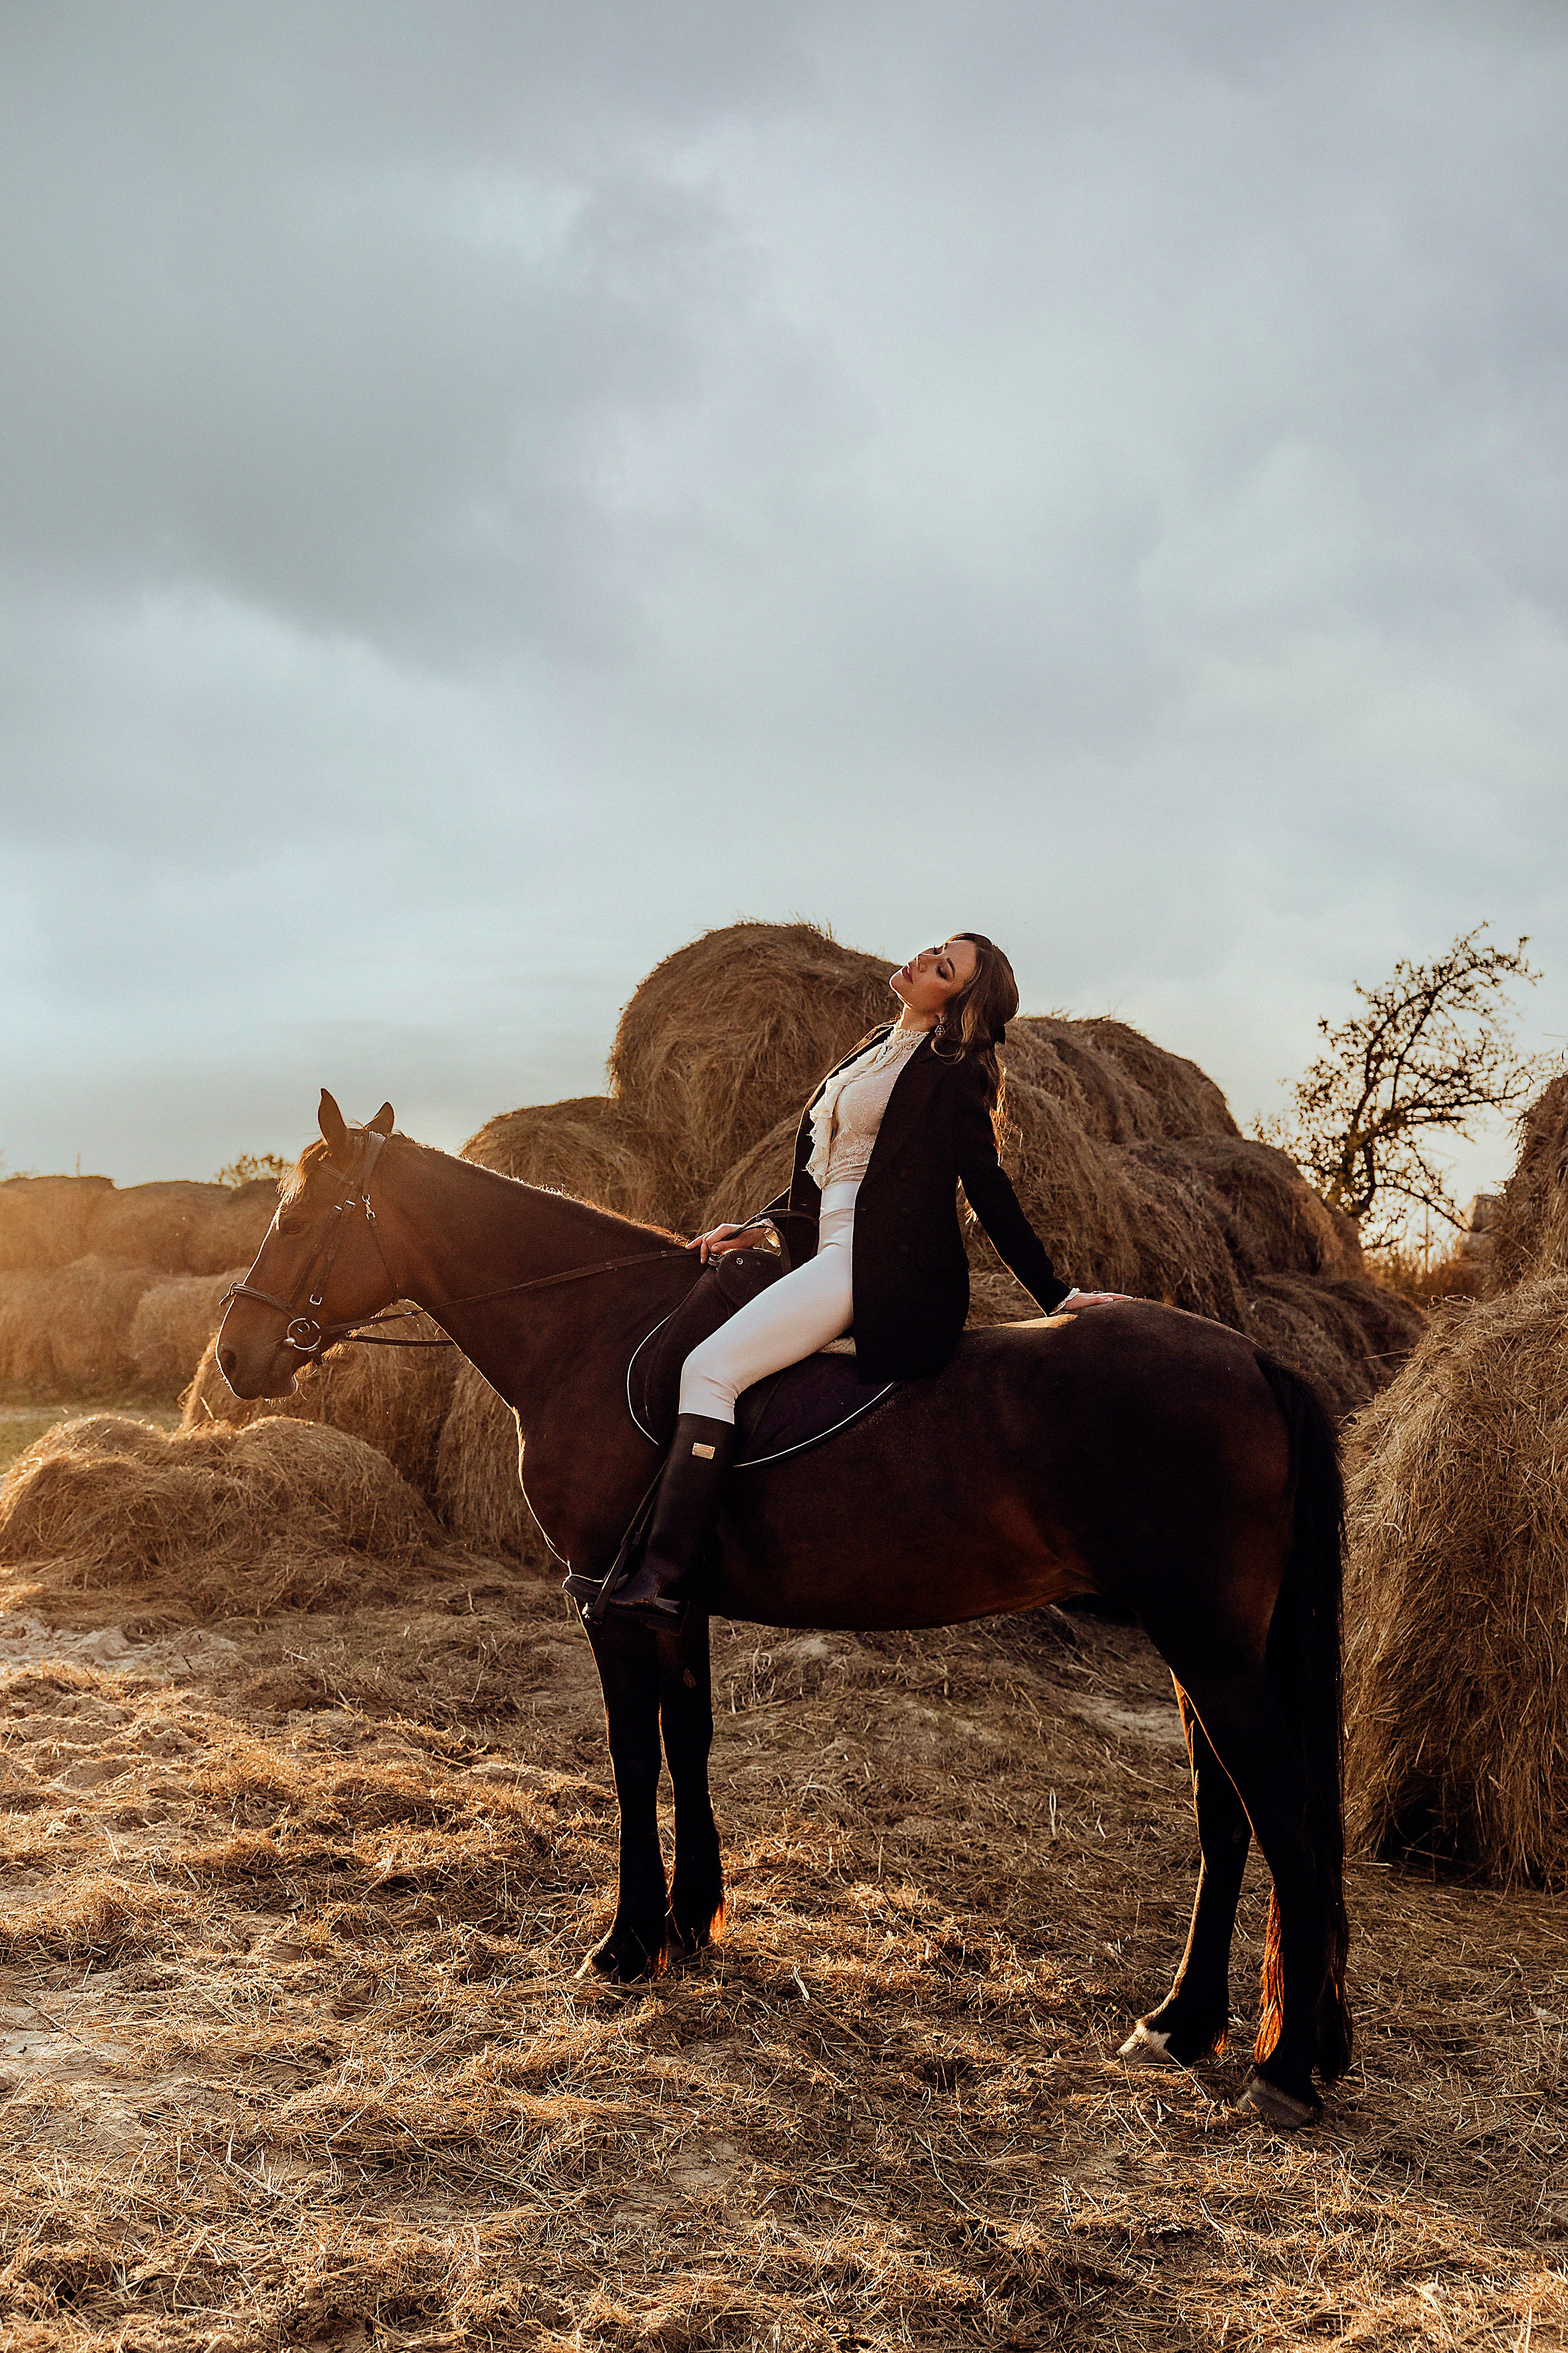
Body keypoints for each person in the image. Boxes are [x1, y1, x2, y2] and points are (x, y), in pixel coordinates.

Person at [604, 933, 1075, 1625]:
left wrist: (1056, 1295)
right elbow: (822, 1172)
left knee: (710, 1370)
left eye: (944, 968)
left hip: (878, 1266)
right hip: (823, 1246)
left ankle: (664, 1577)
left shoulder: (954, 1068)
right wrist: (754, 1227)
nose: (924, 959)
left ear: (957, 1004)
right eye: (936, 947)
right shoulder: (873, 1047)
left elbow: (987, 1186)